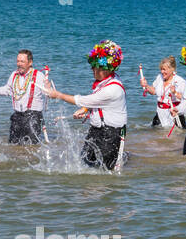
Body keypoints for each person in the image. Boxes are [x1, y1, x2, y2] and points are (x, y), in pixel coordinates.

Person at [43, 39, 128, 171]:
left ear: (104, 70)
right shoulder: (107, 80)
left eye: (94, 68)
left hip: (111, 134)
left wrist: (58, 95)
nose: (92, 70)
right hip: (96, 130)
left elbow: (83, 100)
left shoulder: (112, 89)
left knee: (105, 170)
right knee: (85, 161)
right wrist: (85, 110)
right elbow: (95, 102)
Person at [0, 49, 48, 144]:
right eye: (18, 61)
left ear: (30, 62)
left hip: (33, 116)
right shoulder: (14, 75)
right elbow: (7, 90)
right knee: (13, 145)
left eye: (22, 61)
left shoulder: (39, 76)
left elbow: (49, 94)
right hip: (17, 116)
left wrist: (49, 88)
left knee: (32, 147)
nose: (19, 64)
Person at [139, 56, 186, 130]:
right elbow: (154, 91)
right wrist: (146, 86)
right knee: (157, 137)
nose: (162, 72)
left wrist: (175, 92)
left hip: (174, 113)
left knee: (179, 137)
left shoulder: (180, 81)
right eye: (161, 69)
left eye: (164, 69)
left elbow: (185, 98)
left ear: (172, 69)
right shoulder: (159, 77)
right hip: (160, 113)